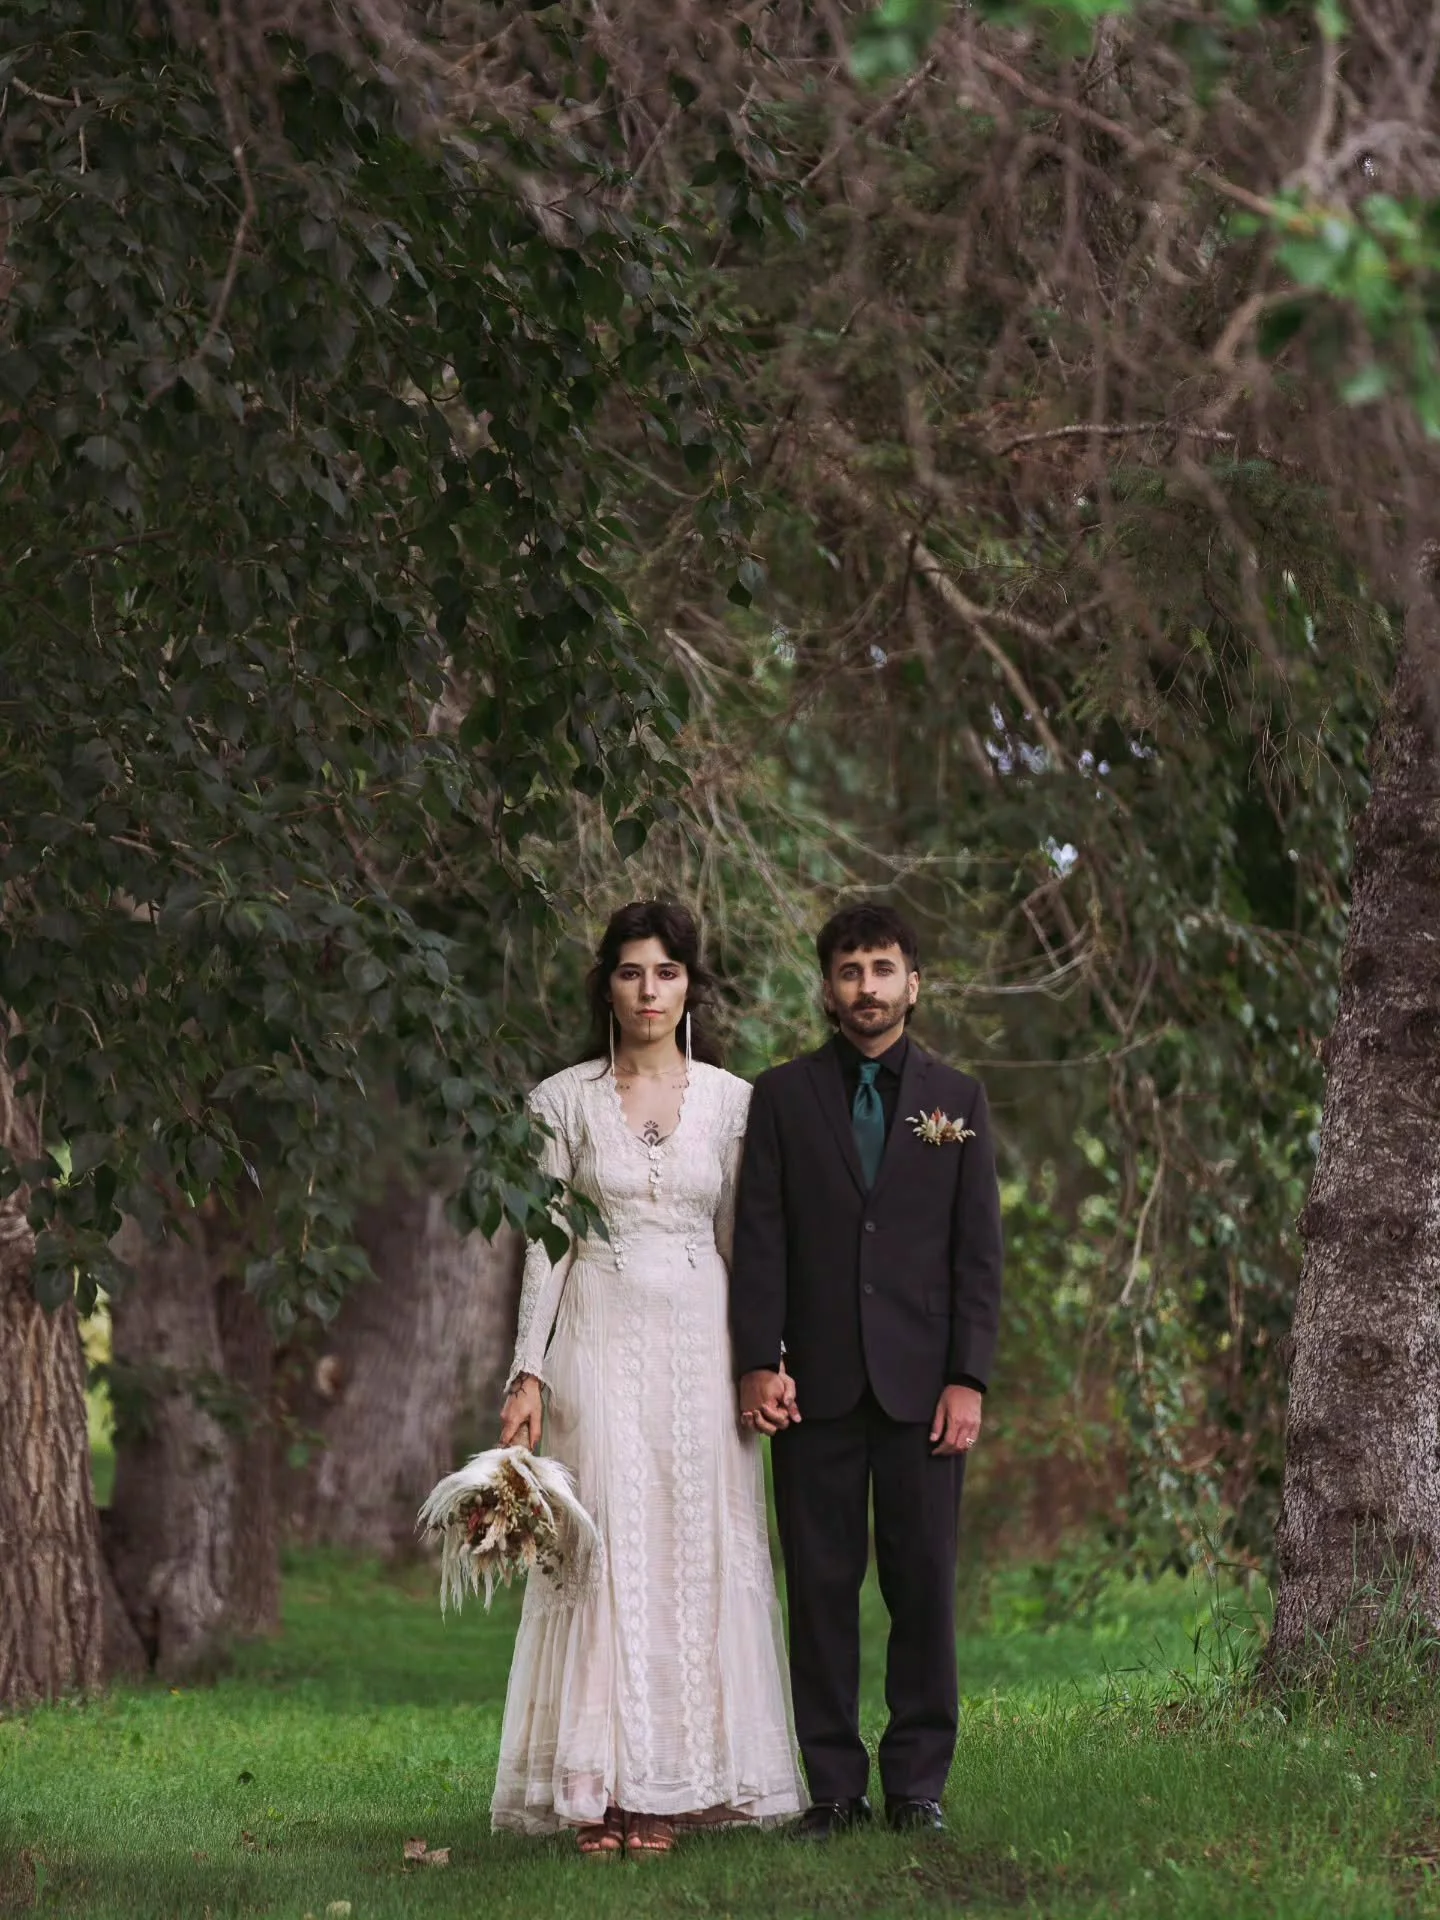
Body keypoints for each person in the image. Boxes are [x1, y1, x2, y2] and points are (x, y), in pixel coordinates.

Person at [491, 901, 805, 1856]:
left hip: (702, 1345)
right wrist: (527, 1371)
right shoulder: (562, 1101)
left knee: (688, 1547)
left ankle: (671, 1788)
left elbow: (756, 1244)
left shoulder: (734, 1100)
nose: (649, 990)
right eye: (631, 972)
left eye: (666, 972)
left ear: (689, 986)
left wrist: (769, 1358)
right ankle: (600, 1790)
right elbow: (543, 1248)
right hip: (598, 1333)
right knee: (608, 1547)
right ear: (608, 986)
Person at [729, 901, 1003, 1840]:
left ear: (913, 983)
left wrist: (968, 1377)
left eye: (883, 969)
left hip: (925, 1391)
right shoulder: (783, 1098)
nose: (867, 988)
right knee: (821, 1588)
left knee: (922, 1584)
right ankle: (835, 1787)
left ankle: (918, 1783)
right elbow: (761, 1243)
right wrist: (758, 1364)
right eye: (849, 971)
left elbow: (978, 1255)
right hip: (816, 1389)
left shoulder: (957, 1102)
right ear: (829, 986)